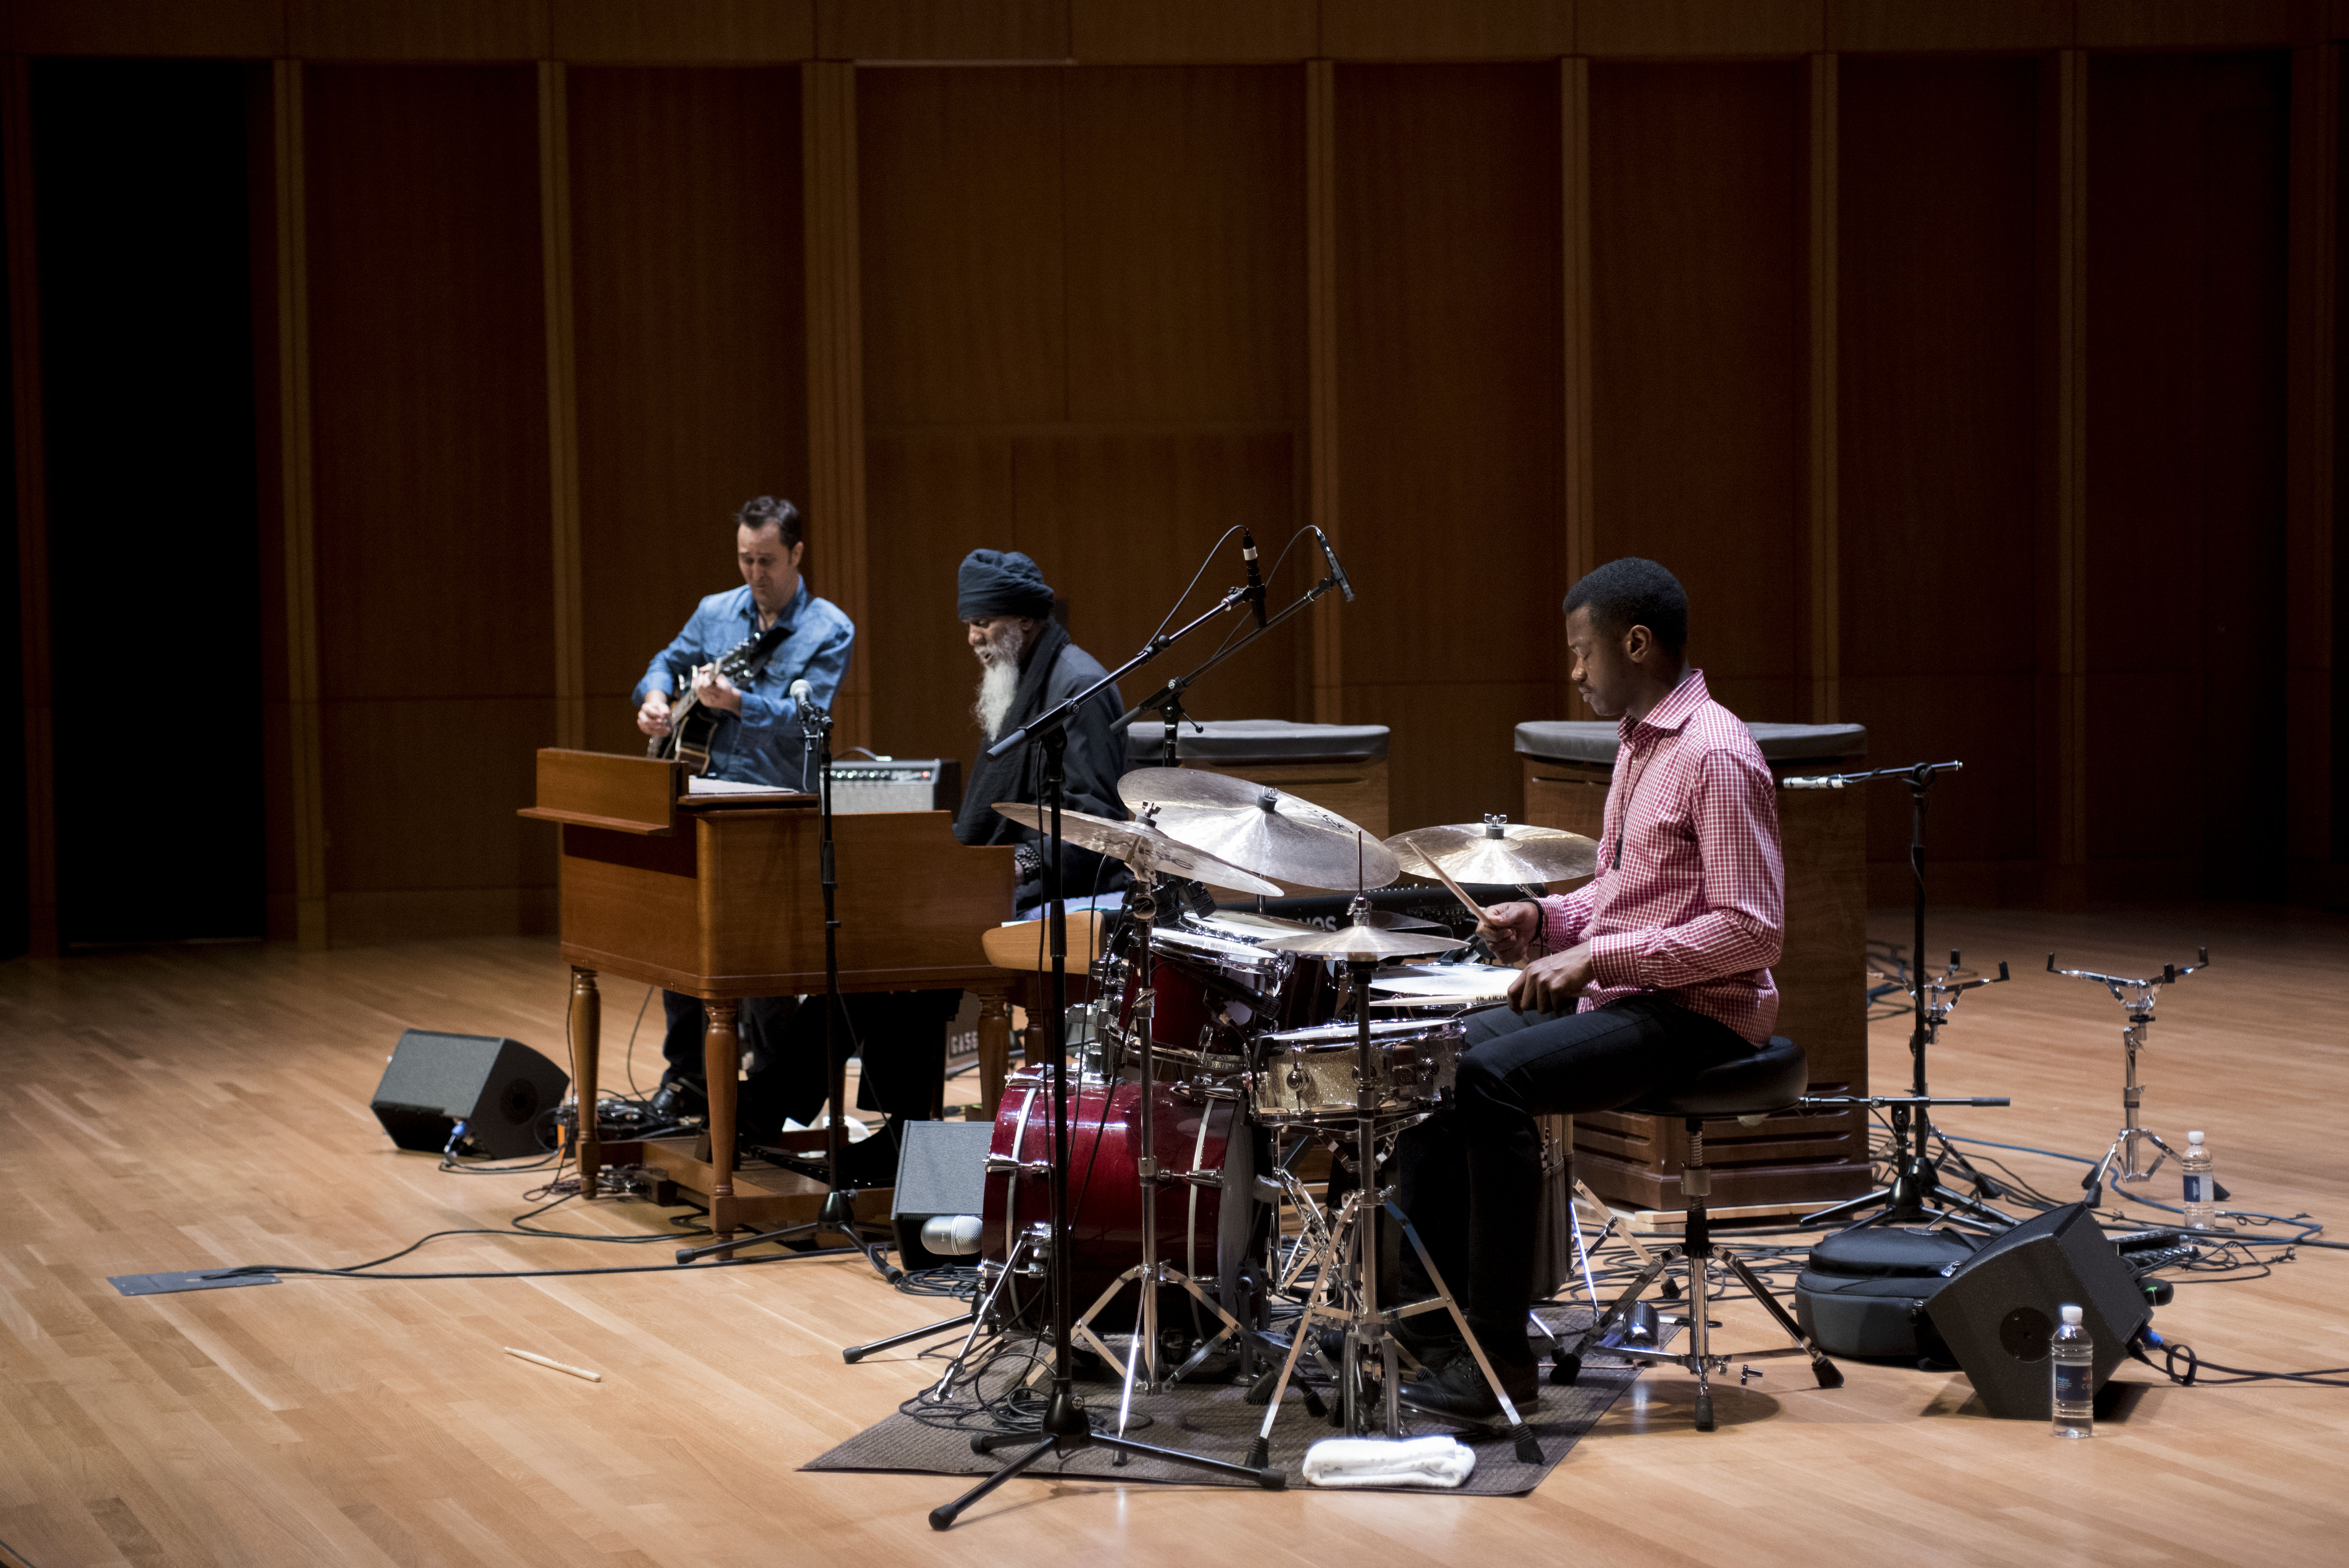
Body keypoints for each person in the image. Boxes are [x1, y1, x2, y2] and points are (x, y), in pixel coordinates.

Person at [1399, 557, 1785, 1419]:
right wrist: (1543, 920)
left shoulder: (1714, 754)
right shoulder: (1639, 744)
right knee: (1433, 1057)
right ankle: (1430, 1321)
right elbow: (1622, 893)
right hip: (1641, 996)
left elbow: (1751, 929)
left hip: (1705, 1012)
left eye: (1581, 652)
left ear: (1635, 644)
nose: (1572, 673)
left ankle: (1497, 1360)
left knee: (1490, 1081)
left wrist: (1600, 962)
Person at [631, 496, 854, 1122]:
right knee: (687, 945)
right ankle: (691, 1080)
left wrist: (736, 704)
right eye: (745, 559)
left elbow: (808, 720)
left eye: (768, 560)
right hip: (700, 797)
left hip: (771, 810)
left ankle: (769, 1097)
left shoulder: (827, 628)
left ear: (797, 554)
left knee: (765, 968)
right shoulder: (714, 612)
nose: (755, 573)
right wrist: (654, 697)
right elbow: (667, 663)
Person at [948, 549, 1131, 914]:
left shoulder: (1079, 687)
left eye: (982, 622)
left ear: (1025, 620)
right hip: (1028, 874)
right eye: (969, 624)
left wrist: (1025, 863)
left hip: (1069, 886)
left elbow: (1097, 822)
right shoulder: (1019, 680)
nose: (972, 638)